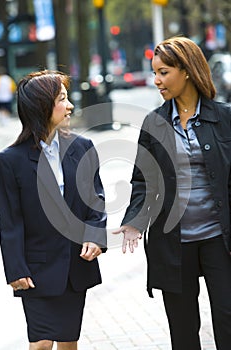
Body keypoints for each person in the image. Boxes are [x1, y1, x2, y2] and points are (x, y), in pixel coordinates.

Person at [113, 36, 231, 350]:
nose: (156, 80)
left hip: (221, 240)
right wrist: (134, 221)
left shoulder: (225, 119)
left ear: (187, 71)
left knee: (228, 319)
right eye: (155, 72)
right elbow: (142, 181)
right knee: (183, 330)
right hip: (174, 242)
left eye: (164, 72)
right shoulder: (154, 124)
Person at [0, 70, 107, 350]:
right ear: (42, 107)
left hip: (74, 265)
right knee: (41, 343)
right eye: (62, 99)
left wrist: (95, 236)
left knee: (69, 341)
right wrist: (15, 269)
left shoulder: (83, 148)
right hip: (35, 269)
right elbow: (10, 220)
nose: (70, 105)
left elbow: (96, 200)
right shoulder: (10, 160)